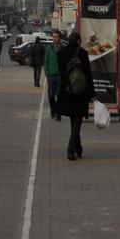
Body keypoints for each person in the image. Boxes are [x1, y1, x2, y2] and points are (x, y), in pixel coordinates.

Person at [54, 32, 94, 160]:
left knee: (74, 121)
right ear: (78, 41)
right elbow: (88, 75)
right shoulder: (83, 53)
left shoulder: (61, 53)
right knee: (77, 121)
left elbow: (60, 74)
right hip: (81, 92)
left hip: (67, 92)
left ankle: (78, 147)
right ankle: (71, 150)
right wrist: (92, 93)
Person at [44, 30, 63, 120]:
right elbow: (46, 61)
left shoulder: (63, 48)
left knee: (59, 95)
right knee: (51, 96)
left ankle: (58, 113)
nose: (54, 38)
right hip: (51, 76)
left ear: (60, 38)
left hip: (60, 76)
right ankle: (53, 109)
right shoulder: (49, 48)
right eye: (53, 37)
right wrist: (47, 73)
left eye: (56, 37)